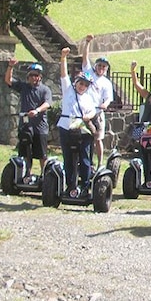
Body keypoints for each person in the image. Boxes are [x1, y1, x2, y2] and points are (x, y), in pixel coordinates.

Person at [58, 47, 97, 198]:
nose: (83, 87)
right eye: (81, 84)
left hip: (82, 129)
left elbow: (93, 111)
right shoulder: (68, 89)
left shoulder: (88, 97)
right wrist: (63, 58)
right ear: (76, 82)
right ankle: (70, 186)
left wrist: (89, 116)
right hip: (66, 126)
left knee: (84, 158)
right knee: (68, 158)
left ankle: (85, 186)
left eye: (86, 85)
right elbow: (63, 74)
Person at [4, 59, 53, 174]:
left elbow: (48, 103)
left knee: (42, 154)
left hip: (40, 126)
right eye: (31, 75)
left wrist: (37, 110)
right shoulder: (24, 87)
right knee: (25, 152)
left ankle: (44, 175)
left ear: (40, 77)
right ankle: (27, 173)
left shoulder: (45, 90)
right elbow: (8, 80)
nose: (33, 78)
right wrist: (10, 67)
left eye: (36, 75)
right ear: (28, 76)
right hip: (26, 125)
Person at [81, 34, 114, 169]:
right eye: (99, 65)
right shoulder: (89, 74)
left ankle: (100, 163)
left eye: (104, 66)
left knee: (98, 138)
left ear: (106, 69)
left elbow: (108, 99)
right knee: (83, 138)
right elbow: (84, 58)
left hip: (98, 113)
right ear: (96, 66)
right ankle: (85, 162)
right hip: (86, 111)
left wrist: (104, 105)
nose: (101, 68)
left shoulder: (106, 83)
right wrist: (87, 42)